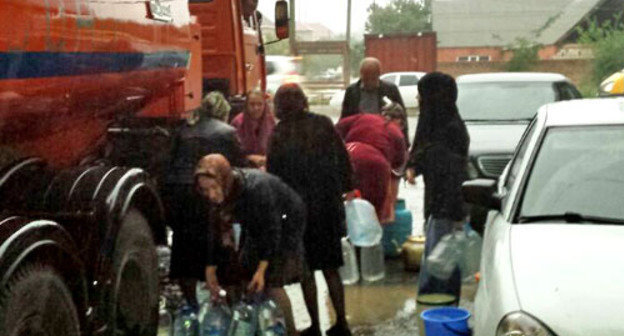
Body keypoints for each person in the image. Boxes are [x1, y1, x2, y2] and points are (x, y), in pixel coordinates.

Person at [267, 83, 354, 336]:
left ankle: (315, 327)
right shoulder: (324, 124)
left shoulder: (279, 133)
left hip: (298, 211)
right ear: (304, 100)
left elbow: (274, 177)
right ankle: (342, 324)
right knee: (330, 268)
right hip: (327, 207)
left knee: (306, 271)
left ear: (280, 106)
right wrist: (346, 188)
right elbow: (343, 159)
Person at [197, 154, 305, 336]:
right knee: (244, 267)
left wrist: (262, 270)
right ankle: (252, 325)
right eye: (205, 190)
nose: (211, 195)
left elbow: (271, 231)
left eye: (214, 188)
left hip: (286, 220)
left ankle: (289, 331)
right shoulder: (220, 194)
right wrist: (210, 267)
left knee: (272, 282)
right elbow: (214, 231)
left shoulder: (255, 190)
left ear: (225, 181)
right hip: (256, 223)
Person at [163, 91, 245, 307]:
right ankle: (231, 303)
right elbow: (237, 167)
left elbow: (169, 164)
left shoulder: (183, 131)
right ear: (223, 112)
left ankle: (192, 304)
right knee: (222, 250)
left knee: (185, 251)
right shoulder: (227, 132)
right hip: (209, 196)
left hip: (180, 197)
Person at [405, 72, 470, 300]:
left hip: (447, 209)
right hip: (436, 206)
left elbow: (449, 171)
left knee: (440, 268)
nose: (417, 99)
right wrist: (413, 166)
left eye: (421, 95)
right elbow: (422, 148)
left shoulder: (451, 129)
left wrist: (452, 215)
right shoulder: (434, 121)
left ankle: (440, 311)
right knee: (438, 264)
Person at [335, 103, 407, 223]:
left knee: (345, 203)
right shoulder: (398, 134)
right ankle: (372, 237)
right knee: (374, 214)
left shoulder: (362, 117)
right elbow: (394, 177)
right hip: (377, 163)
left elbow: (334, 130)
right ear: (399, 121)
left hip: (349, 154)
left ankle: (344, 231)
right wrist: (390, 210)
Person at [340, 57, 408, 144]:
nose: (369, 81)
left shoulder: (390, 90)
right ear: (361, 74)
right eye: (366, 77)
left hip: (384, 137)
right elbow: (345, 117)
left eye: (373, 77)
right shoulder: (352, 91)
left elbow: (402, 117)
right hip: (358, 137)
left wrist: (404, 142)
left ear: (379, 74)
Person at [231, 90, 276, 169]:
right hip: (244, 168)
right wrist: (251, 158)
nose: (256, 108)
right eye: (252, 104)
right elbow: (233, 153)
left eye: (259, 104)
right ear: (246, 105)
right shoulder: (237, 123)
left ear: (264, 105)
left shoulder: (270, 121)